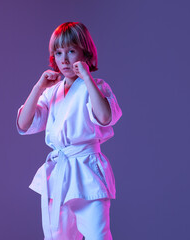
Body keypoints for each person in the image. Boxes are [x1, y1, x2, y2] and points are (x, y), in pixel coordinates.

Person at [16, 22, 122, 240]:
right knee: (58, 237)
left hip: (87, 169)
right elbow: (24, 124)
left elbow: (104, 117)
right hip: (59, 173)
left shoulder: (97, 86)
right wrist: (38, 88)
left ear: (85, 52)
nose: (64, 59)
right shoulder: (51, 91)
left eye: (71, 51)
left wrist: (87, 78)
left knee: (97, 235)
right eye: (58, 52)